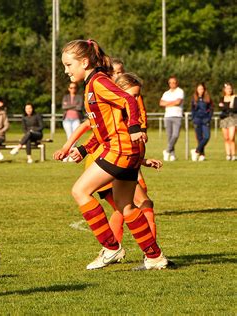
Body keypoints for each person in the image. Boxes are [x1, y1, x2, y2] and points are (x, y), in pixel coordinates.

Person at [59, 39, 169, 270]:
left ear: (85, 62)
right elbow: (103, 127)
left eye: (69, 65)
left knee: (80, 191)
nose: (66, 70)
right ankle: (155, 257)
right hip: (124, 149)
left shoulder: (98, 82)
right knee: (125, 206)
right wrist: (82, 148)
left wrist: (135, 127)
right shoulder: (92, 85)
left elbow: (129, 100)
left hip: (119, 149)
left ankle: (111, 247)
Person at [54, 73, 159, 250]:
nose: (135, 99)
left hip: (119, 161)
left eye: (137, 96)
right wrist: (74, 148)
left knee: (126, 207)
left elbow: (118, 141)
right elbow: (96, 131)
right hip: (107, 163)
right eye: (132, 95)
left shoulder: (121, 110)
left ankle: (142, 252)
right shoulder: (112, 106)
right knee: (135, 205)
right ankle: (117, 248)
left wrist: (143, 160)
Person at [160, 76, 184, 161]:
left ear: (176, 83)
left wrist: (168, 103)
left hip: (177, 116)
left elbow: (178, 102)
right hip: (167, 116)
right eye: (170, 82)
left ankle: (167, 151)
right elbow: (161, 103)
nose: (172, 84)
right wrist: (172, 102)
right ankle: (172, 155)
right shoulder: (166, 93)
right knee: (169, 137)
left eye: (174, 82)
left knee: (175, 135)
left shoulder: (180, 91)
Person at [190, 83, 213, 161]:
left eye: (202, 89)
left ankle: (196, 151)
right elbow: (192, 110)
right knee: (199, 138)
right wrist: (193, 119)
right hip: (197, 120)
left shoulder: (208, 98)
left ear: (204, 90)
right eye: (199, 89)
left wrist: (209, 118)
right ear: (196, 90)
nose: (200, 90)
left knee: (206, 137)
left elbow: (211, 109)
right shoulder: (194, 98)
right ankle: (202, 155)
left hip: (205, 120)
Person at [218, 82, 236, 161]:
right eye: (227, 88)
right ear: (224, 90)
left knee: (231, 138)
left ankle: (234, 154)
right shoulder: (222, 98)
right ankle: (228, 154)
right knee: (226, 138)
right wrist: (228, 108)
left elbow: (235, 109)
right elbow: (221, 108)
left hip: (233, 118)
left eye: (230, 88)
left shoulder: (235, 98)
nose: (229, 90)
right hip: (224, 119)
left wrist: (225, 107)